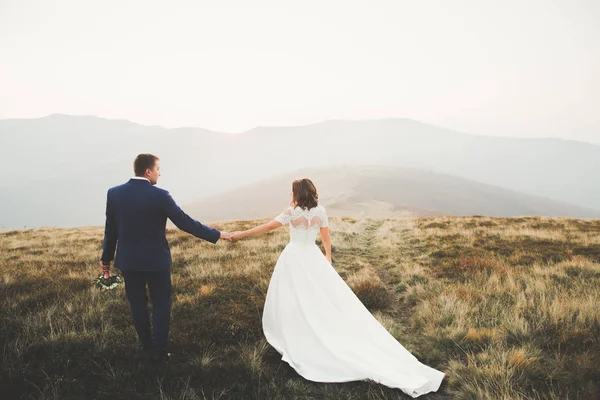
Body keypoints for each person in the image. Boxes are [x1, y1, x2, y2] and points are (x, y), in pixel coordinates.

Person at [230, 178, 444, 397]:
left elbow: (268, 227)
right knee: (316, 297)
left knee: (294, 296)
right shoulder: (320, 211)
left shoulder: (292, 212)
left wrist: (239, 234)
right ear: (312, 192)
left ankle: (299, 330)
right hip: (312, 256)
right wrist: (328, 258)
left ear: (296, 193)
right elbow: (326, 236)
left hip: (294, 257)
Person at [99, 153, 232, 361]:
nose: (160, 174)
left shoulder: (114, 194)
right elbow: (185, 222)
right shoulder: (160, 195)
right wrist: (217, 234)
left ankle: (146, 347)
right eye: (158, 169)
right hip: (156, 261)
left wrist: (106, 258)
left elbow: (111, 230)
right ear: (148, 171)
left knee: (137, 304)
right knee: (161, 303)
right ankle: (159, 352)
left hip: (129, 262)